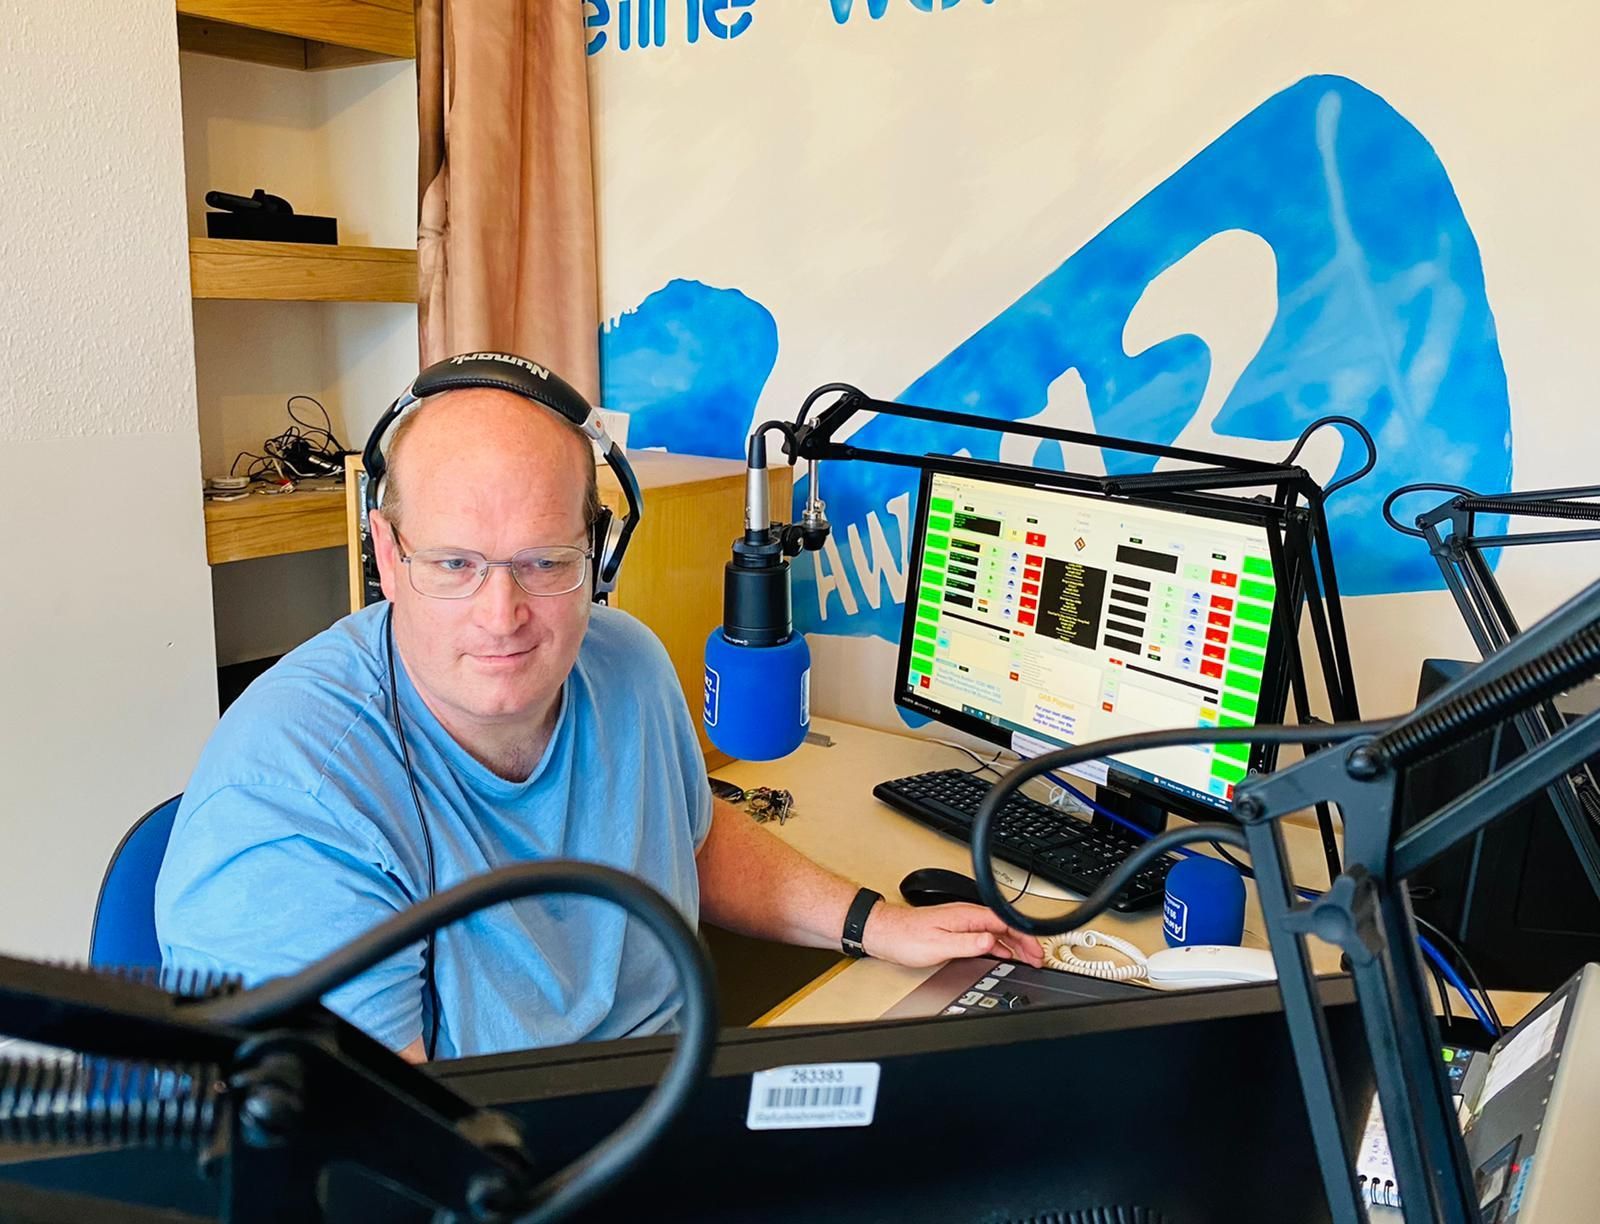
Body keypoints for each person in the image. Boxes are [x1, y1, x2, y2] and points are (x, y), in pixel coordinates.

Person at [155, 375, 1042, 1061]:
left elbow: (688, 838)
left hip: (664, 1115)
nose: (502, 615)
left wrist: (873, 921)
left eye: (544, 561)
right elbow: (378, 1162)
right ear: (387, 555)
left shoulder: (625, 661)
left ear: (601, 552)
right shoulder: (293, 798)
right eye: (455, 563)